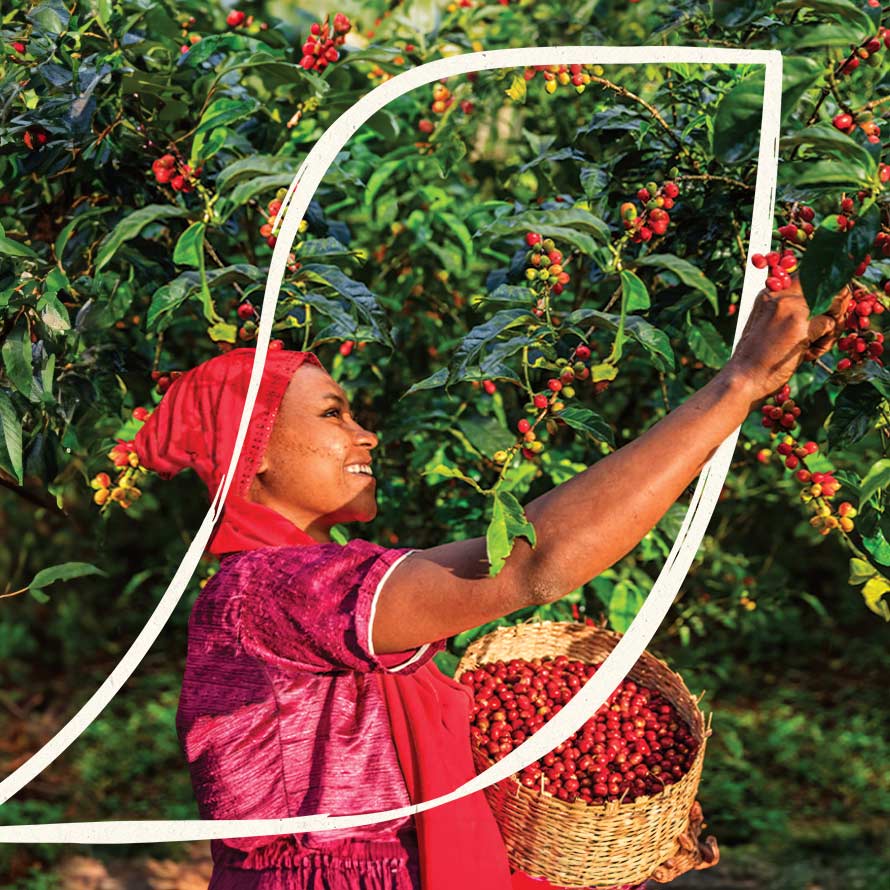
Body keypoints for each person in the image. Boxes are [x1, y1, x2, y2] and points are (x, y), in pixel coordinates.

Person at [133, 275, 850, 890]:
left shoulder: (307, 584)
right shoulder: (270, 589)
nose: (366, 434)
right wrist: (736, 386)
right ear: (251, 452)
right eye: (332, 413)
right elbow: (534, 563)